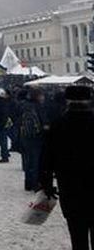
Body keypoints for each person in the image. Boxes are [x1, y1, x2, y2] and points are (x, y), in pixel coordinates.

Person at [40, 85, 94, 249]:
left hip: (70, 186)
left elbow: (46, 159)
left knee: (77, 234)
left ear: (67, 101)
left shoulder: (58, 125)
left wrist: (47, 185)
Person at [19, 88, 48, 191]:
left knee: (28, 160)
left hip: (25, 136)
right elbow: (43, 122)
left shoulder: (24, 105)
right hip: (36, 136)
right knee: (36, 161)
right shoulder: (38, 107)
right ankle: (35, 183)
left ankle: (28, 183)